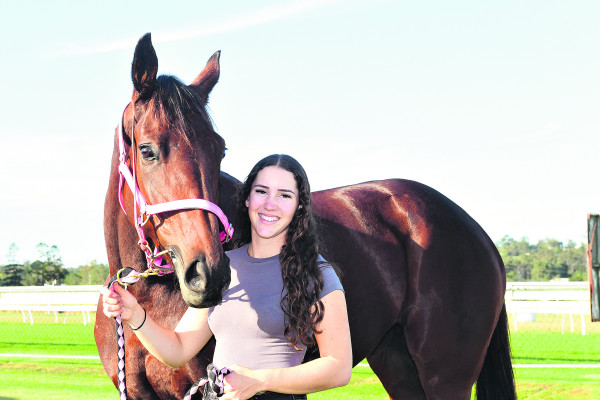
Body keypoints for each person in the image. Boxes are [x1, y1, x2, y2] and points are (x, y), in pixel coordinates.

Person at [102, 154, 352, 400]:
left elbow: (338, 367)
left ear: (300, 206)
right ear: (247, 199)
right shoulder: (224, 266)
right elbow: (177, 350)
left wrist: (258, 382)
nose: (270, 204)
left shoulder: (317, 273)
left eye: (284, 195)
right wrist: (135, 314)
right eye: (261, 191)